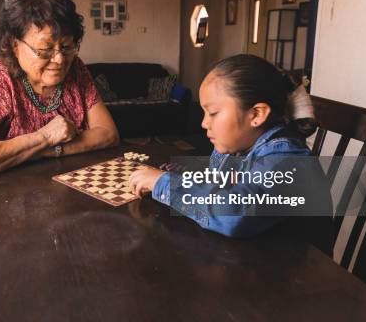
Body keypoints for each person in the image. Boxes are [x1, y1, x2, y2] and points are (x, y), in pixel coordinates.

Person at [129, 54, 333, 254]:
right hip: (248, 258)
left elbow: (235, 212)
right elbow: (216, 184)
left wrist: (165, 184)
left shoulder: (287, 159)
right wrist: (179, 178)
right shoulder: (234, 148)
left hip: (299, 278)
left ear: (256, 114)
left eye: (213, 113)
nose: (203, 123)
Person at [0, 0, 119, 181]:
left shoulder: (76, 70)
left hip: (66, 188)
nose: (60, 59)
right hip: (8, 195)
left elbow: (108, 133)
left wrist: (42, 150)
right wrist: (44, 137)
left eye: (66, 46)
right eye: (45, 49)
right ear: (15, 45)